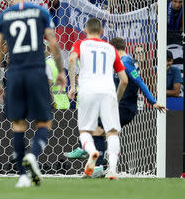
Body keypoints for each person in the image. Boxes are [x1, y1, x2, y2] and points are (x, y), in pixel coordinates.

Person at [0, 0, 66, 188]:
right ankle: (33, 155)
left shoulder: (4, 16)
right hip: (36, 71)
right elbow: (53, 42)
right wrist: (61, 71)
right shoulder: (41, 12)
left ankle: (22, 175)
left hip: (14, 73)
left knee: (18, 124)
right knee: (44, 122)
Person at [65, 37, 166, 177]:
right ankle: (99, 166)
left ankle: (90, 155)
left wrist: (153, 101)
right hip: (123, 107)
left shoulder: (126, 62)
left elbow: (139, 81)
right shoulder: (127, 60)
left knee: (96, 127)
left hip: (124, 107)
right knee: (99, 130)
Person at [67, 18, 128, 180]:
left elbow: (71, 59)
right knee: (112, 132)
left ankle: (91, 151)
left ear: (85, 31)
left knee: (85, 130)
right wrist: (116, 98)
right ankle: (113, 170)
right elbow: (124, 80)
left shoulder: (81, 44)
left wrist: (72, 86)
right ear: (102, 32)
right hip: (108, 92)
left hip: (88, 91)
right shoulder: (110, 48)